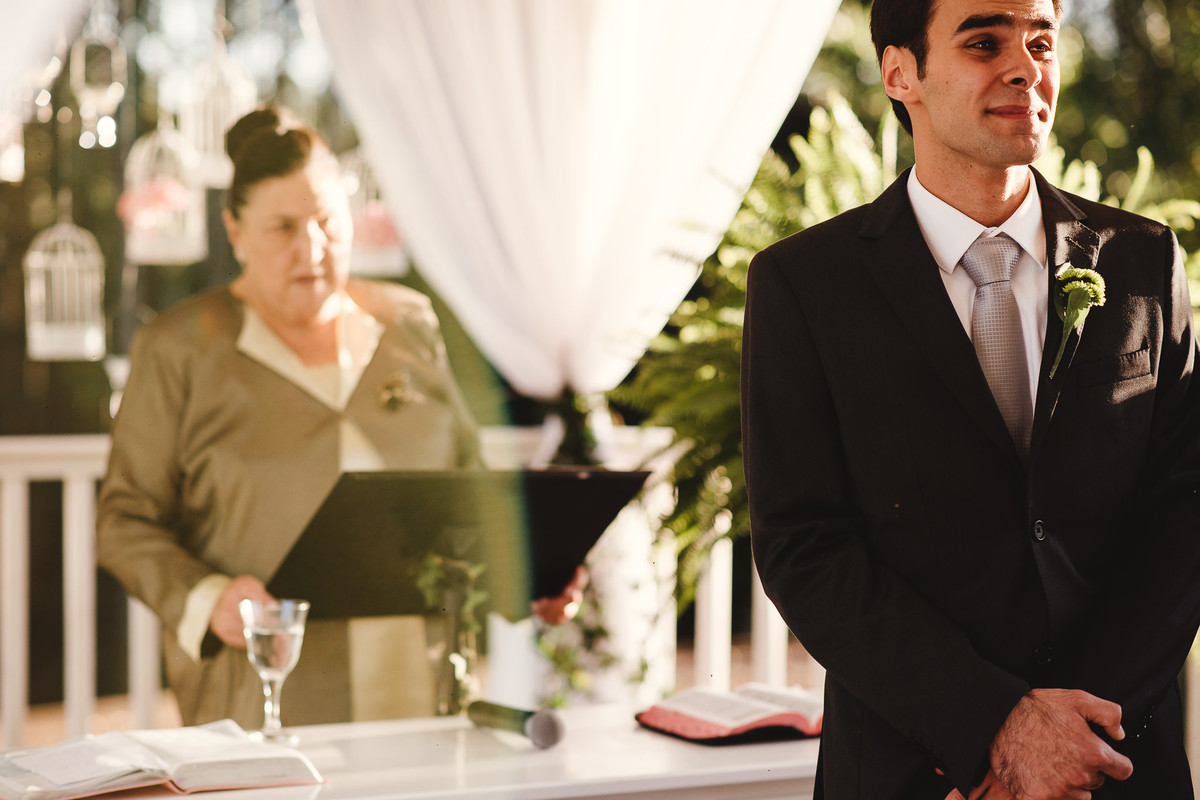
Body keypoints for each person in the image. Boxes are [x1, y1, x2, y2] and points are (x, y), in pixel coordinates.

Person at [741, 0, 1200, 798]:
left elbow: (1184, 512)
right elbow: (804, 546)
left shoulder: (1143, 260)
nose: (1026, 67)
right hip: (917, 771)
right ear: (900, 73)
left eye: (1041, 42)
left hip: (1114, 766)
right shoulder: (803, 285)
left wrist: (1074, 741)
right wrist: (991, 727)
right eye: (985, 42)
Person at [97, 105, 580, 729]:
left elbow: (467, 494)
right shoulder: (179, 348)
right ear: (235, 231)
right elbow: (124, 519)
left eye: (328, 222)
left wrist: (531, 574)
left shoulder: (408, 324)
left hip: (425, 697)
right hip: (265, 703)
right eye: (283, 228)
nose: (312, 249)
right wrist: (208, 598)